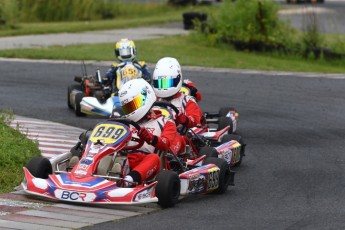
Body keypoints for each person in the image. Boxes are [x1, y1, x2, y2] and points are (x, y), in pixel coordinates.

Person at [118, 78, 178, 186]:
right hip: (125, 159)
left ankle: (129, 180)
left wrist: (150, 138)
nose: (131, 111)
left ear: (145, 97)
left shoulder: (165, 121)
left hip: (149, 165)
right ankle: (84, 173)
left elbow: (165, 144)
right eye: (127, 108)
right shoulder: (125, 122)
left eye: (133, 105)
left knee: (153, 158)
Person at [152, 57, 203, 155]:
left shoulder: (186, 100)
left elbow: (195, 119)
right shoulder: (154, 100)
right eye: (160, 83)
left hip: (179, 136)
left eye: (167, 83)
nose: (164, 88)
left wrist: (183, 118)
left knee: (176, 139)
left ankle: (167, 158)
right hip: (156, 136)